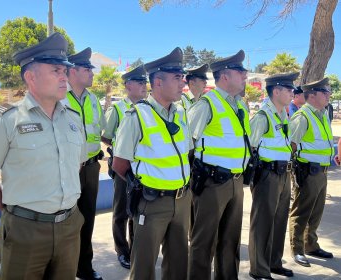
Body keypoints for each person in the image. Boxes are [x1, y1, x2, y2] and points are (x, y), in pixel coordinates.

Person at [0, 32, 87, 279]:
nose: (63, 76)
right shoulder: (5, 122)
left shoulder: (73, 120)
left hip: (69, 225)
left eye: (65, 71)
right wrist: (13, 209)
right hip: (25, 229)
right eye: (56, 70)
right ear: (31, 77)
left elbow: (75, 165)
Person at [112, 47, 193, 280]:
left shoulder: (180, 114)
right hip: (152, 202)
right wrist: (143, 185)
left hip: (181, 199)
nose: (182, 83)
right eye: (177, 78)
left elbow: (186, 153)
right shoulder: (136, 116)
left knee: (178, 263)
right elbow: (120, 164)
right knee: (144, 266)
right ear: (158, 81)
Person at [188, 50, 250, 280]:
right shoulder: (207, 104)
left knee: (230, 240)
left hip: (236, 181)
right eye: (240, 72)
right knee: (204, 241)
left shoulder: (239, 105)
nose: (245, 76)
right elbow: (186, 145)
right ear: (225, 76)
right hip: (212, 183)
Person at [248, 73, 299, 280]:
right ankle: (259, 269)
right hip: (267, 174)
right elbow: (250, 146)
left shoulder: (283, 114)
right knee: (262, 222)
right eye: (288, 90)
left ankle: (274, 263)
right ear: (275, 91)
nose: (292, 93)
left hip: (284, 173)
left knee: (279, 221)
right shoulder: (262, 116)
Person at [61, 47, 105, 280]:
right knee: (65, 222)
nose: (92, 73)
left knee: (87, 220)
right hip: (66, 170)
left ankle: (84, 268)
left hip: (90, 167)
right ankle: (64, 269)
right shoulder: (59, 97)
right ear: (73, 71)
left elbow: (102, 130)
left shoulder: (93, 100)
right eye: (87, 68)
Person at [101, 65, 148, 269]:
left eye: (144, 82)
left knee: (137, 210)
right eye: (140, 82)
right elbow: (106, 136)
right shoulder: (118, 109)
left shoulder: (148, 108)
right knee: (121, 211)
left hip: (142, 168)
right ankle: (122, 250)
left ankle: (135, 247)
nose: (144, 86)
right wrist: (122, 150)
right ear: (128, 86)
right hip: (122, 168)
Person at [289, 77, 334, 267]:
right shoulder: (302, 116)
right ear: (312, 95)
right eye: (325, 92)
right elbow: (290, 144)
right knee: (302, 212)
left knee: (316, 211)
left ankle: (311, 244)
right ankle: (297, 249)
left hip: (322, 171)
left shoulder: (322, 114)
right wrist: (294, 170)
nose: (328, 95)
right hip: (307, 170)